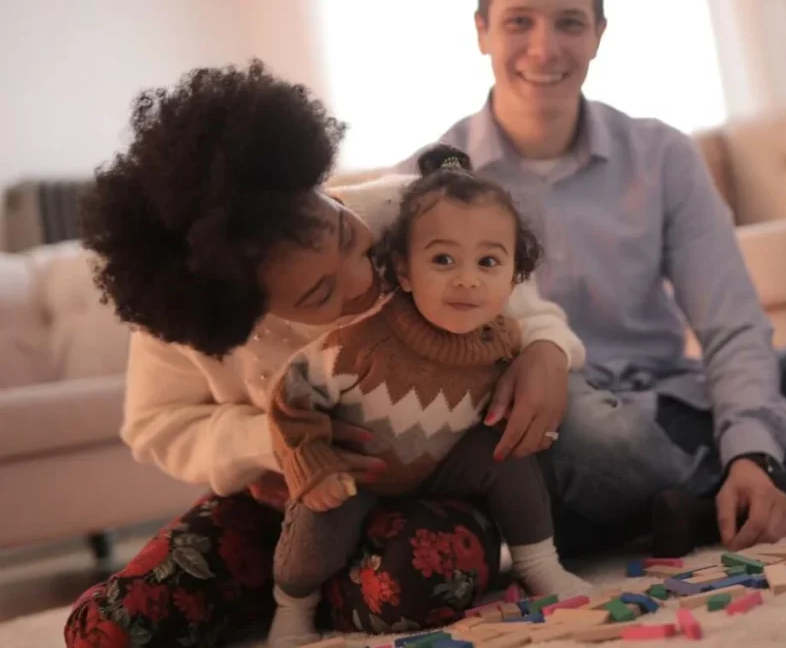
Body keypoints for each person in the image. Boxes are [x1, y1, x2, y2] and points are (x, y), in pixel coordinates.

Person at [392, 0, 786, 557]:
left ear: (597, 34)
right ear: (482, 31)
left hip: (686, 400)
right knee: (589, 429)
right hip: (575, 427)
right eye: (519, 22)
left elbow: (731, 323)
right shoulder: (431, 180)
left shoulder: (662, 154)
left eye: (569, 23)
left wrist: (751, 449)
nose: (544, 47)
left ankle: (762, 486)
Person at [65, 60, 583, 647]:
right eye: (319, 293)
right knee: (111, 628)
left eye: (345, 234)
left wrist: (547, 351)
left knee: (416, 582)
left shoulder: (405, 211)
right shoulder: (191, 319)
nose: (364, 278)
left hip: (429, 485)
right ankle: (293, 578)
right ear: (245, 310)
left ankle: (307, 587)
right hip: (284, 501)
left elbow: (524, 307)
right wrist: (278, 446)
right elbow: (155, 425)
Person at [266, 144, 590, 646]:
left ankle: (540, 565)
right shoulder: (364, 345)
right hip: (363, 468)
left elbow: (542, 349)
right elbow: (291, 393)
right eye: (442, 260)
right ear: (402, 270)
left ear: (512, 278)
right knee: (317, 530)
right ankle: (292, 606)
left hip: (444, 465)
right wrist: (312, 459)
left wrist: (546, 360)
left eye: (488, 262)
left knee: (509, 456)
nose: (466, 279)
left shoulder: (502, 337)